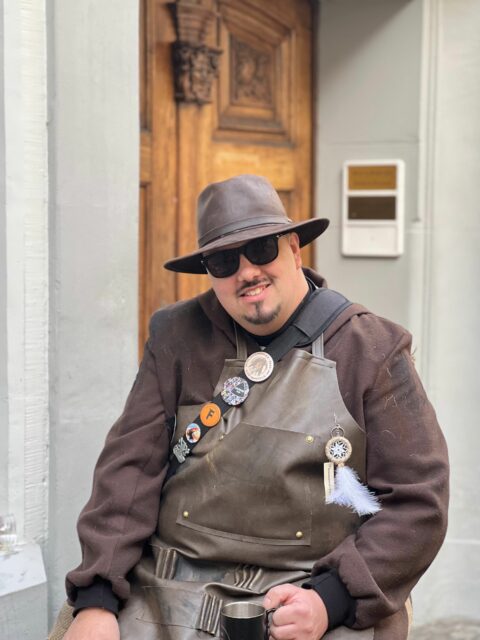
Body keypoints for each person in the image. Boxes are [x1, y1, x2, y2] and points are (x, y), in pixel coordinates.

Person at [51, 174, 449, 640]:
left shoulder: (372, 348)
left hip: (309, 592)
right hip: (166, 586)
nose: (246, 272)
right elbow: (129, 471)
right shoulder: (176, 337)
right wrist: (98, 597)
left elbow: (418, 501)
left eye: (261, 250)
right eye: (224, 261)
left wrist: (331, 599)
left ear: (294, 249)